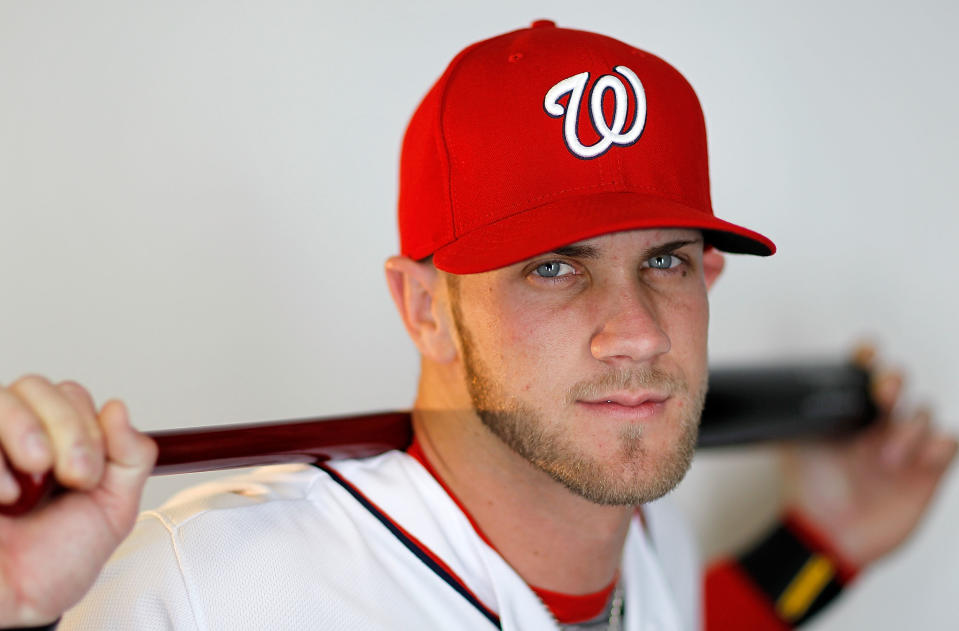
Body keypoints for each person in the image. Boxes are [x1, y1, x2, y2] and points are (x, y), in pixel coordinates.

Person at [1, 21, 955, 631]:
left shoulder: (636, 521)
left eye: (661, 260)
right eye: (553, 268)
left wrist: (826, 541)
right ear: (425, 307)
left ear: (709, 274)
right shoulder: (213, 589)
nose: (635, 333)